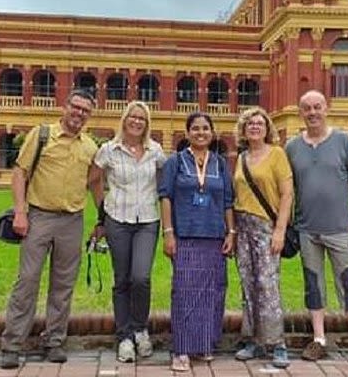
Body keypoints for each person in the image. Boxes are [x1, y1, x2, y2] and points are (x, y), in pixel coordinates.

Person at [0, 90, 99, 370]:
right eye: (76, 107)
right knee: (27, 281)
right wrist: (20, 212)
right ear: (65, 107)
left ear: (89, 115)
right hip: (39, 216)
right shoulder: (41, 135)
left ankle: (54, 340)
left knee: (63, 285)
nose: (79, 114)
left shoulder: (90, 146)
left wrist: (102, 219)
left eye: (85, 111)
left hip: (72, 219)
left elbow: (94, 184)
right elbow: (20, 172)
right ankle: (12, 345)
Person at [285, 90, 348, 361]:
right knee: (313, 284)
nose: (313, 113)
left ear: (326, 109)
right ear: (300, 113)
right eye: (307, 108)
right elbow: (286, 189)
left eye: (317, 107)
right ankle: (318, 339)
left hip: (341, 229)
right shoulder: (292, 147)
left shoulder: (343, 140)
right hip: (307, 230)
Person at [89, 101, 166, 362]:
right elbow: (94, 180)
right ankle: (123, 336)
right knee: (122, 279)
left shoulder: (155, 151)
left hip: (147, 220)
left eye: (141, 119)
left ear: (147, 123)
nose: (136, 122)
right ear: (124, 120)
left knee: (141, 277)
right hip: (117, 220)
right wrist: (101, 213)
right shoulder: (108, 150)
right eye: (132, 117)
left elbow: (164, 184)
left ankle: (140, 329)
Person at [158, 111, 235, 372]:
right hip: (186, 236)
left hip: (214, 236)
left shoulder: (221, 163)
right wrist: (168, 232)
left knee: (212, 293)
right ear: (187, 132)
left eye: (205, 128)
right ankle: (181, 349)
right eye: (195, 129)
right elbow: (165, 197)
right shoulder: (175, 162)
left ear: (212, 133)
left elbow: (227, 201)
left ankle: (203, 344)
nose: (201, 133)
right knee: (184, 293)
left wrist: (231, 232)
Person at [232, 107, 293, 368]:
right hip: (243, 227)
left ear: (268, 129)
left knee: (268, 286)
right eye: (250, 123)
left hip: (267, 227)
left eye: (260, 123)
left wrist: (279, 231)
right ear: (244, 130)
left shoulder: (277, 154)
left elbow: (287, 195)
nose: (255, 127)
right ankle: (253, 339)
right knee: (248, 285)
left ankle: (276, 343)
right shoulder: (242, 157)